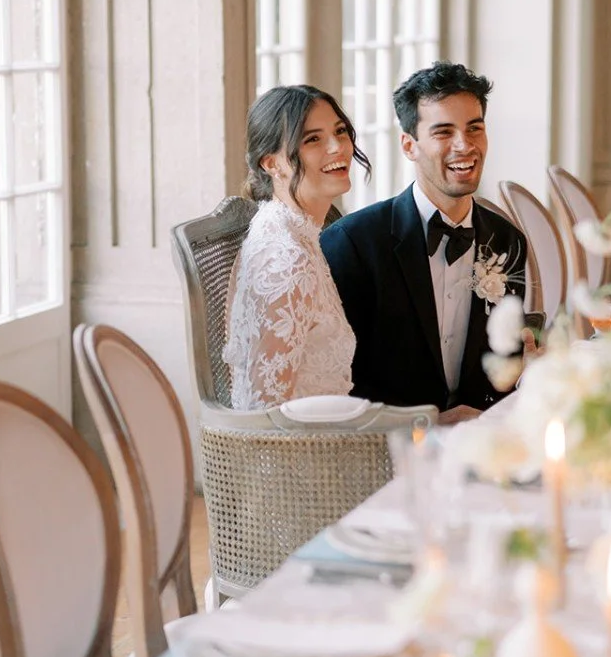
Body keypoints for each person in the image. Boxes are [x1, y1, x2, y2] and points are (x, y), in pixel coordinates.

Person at [320, 62, 526, 421]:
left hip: (481, 443)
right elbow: (340, 382)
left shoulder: (508, 241)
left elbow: (501, 364)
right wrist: (426, 423)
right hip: (385, 452)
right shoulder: (353, 244)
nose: (465, 146)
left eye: (474, 128)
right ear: (409, 145)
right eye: (443, 132)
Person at [223, 85, 368, 411]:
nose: (337, 147)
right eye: (312, 139)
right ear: (272, 164)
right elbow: (264, 413)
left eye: (340, 131)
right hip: (303, 456)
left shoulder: (293, 231)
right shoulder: (286, 260)